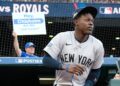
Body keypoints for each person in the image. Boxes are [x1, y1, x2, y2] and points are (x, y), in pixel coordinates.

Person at [43, 6, 104, 86]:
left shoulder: (98, 45)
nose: (91, 23)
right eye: (87, 20)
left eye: (92, 20)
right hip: (61, 84)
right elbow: (46, 60)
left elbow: (96, 70)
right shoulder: (62, 37)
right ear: (76, 22)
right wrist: (65, 67)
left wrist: (88, 84)